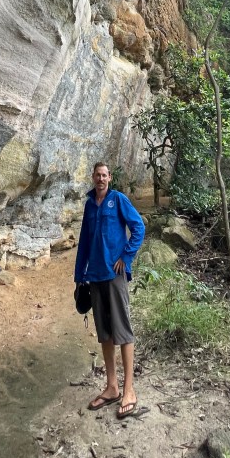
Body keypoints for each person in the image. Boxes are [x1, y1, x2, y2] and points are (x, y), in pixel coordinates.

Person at [74, 161, 145, 419]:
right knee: (105, 334)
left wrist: (126, 257)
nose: (101, 179)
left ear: (110, 177)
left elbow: (138, 227)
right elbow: (84, 242)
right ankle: (112, 387)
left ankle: (129, 390)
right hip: (94, 276)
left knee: (122, 331)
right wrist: (79, 276)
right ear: (93, 177)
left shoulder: (118, 200)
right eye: (97, 175)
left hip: (114, 275)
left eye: (104, 175)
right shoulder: (89, 205)